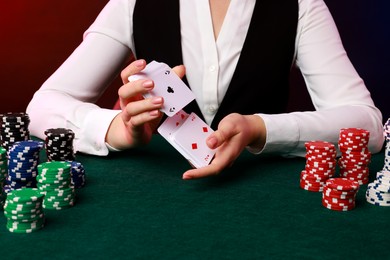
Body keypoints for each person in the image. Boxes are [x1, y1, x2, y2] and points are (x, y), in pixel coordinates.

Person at [27, 0, 384, 180]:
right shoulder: (131, 3)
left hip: (266, 211)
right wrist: (115, 129)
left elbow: (366, 124)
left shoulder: (301, 5)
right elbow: (42, 106)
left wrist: (260, 129)